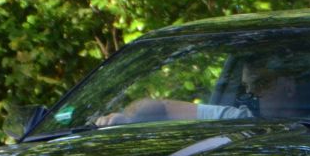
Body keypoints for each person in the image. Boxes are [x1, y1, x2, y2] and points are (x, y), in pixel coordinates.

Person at [94, 62, 298, 126]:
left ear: (289, 86)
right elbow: (163, 107)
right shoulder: (239, 118)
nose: (251, 93)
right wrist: (127, 119)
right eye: (246, 87)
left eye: (261, 83)